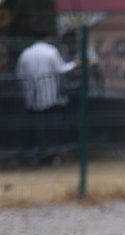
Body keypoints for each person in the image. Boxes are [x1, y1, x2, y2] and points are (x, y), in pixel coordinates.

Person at [16, 26, 80, 164]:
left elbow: (19, 74)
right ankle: (48, 155)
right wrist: (75, 64)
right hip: (50, 98)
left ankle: (33, 155)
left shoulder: (26, 53)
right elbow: (61, 69)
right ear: (48, 38)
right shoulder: (51, 51)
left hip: (31, 98)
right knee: (50, 128)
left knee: (34, 127)